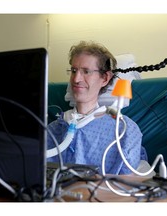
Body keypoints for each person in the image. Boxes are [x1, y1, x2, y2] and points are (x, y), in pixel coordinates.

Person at [47, 40, 148, 175]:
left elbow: (129, 183)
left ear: (105, 78)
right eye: (74, 70)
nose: (76, 79)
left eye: (86, 71)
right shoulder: (53, 129)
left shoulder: (124, 130)